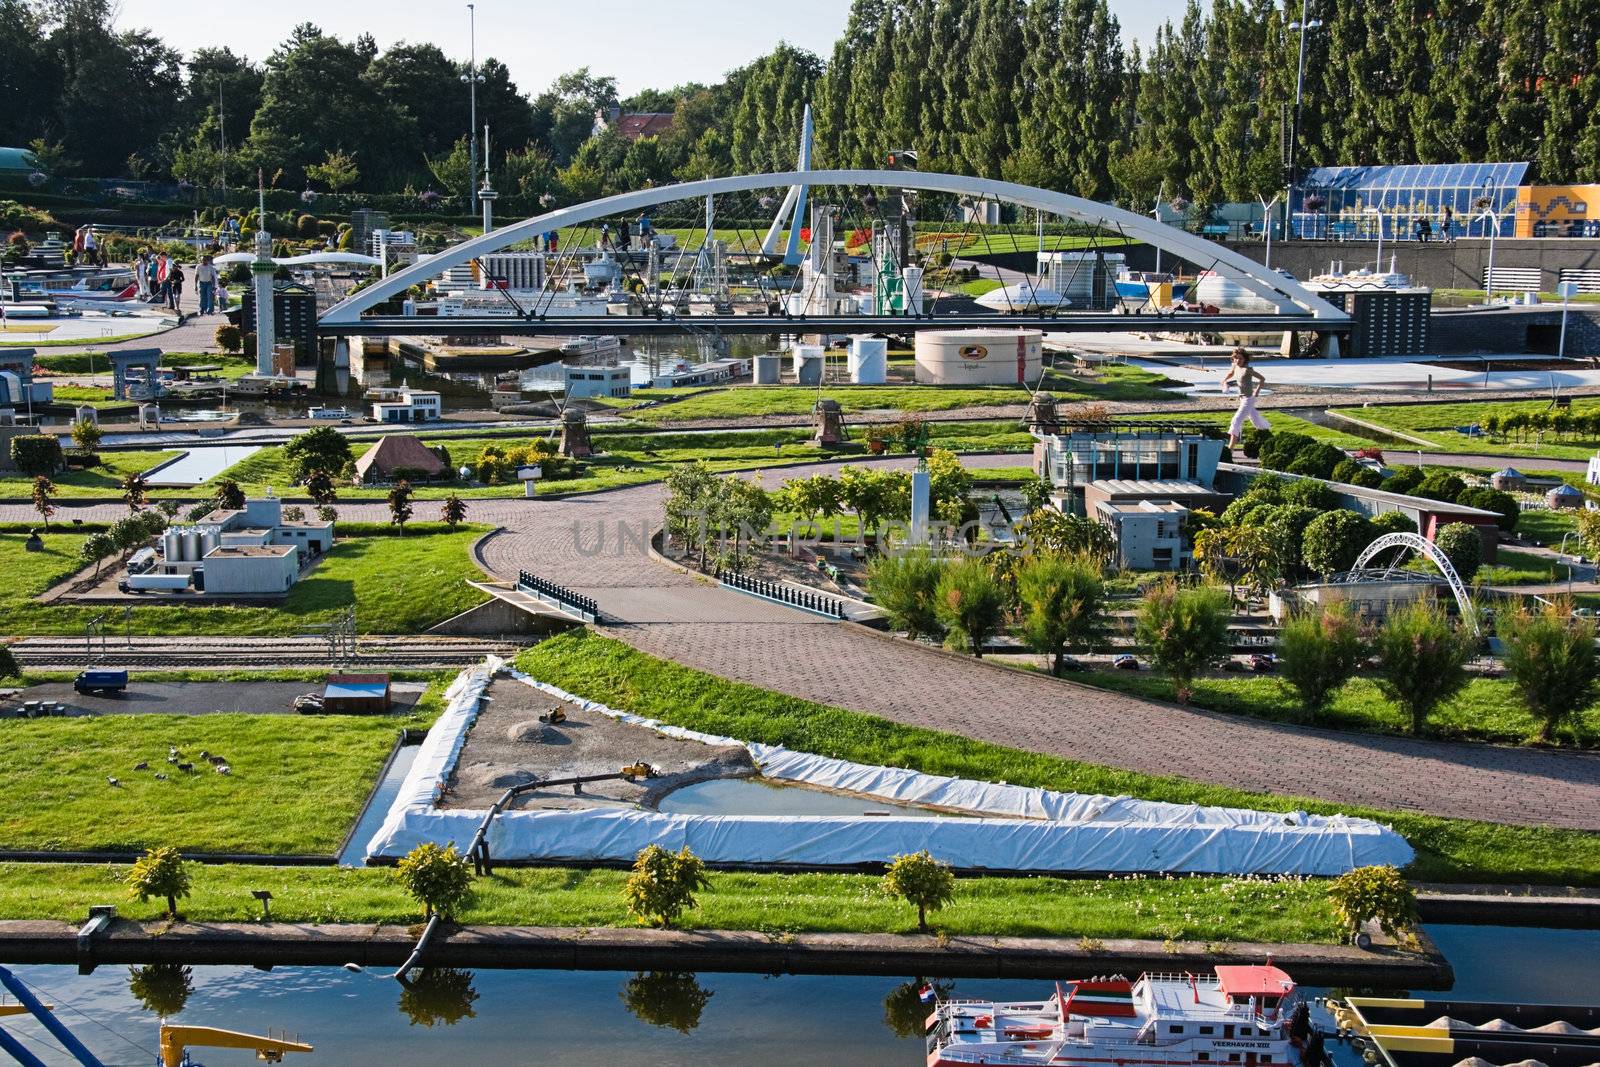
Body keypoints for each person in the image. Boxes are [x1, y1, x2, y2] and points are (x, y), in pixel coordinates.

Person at [1221, 347, 1268, 447]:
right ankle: (1268, 437)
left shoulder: (1248, 370)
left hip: (1249, 399)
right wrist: (1224, 381)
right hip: (1242, 399)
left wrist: (1257, 391)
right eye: (1236, 358)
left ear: (1245, 359)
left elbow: (1262, 379)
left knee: (1236, 420)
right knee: (1257, 421)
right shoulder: (1235, 366)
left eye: (1240, 358)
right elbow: (1231, 373)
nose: (1238, 360)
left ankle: (1230, 449)